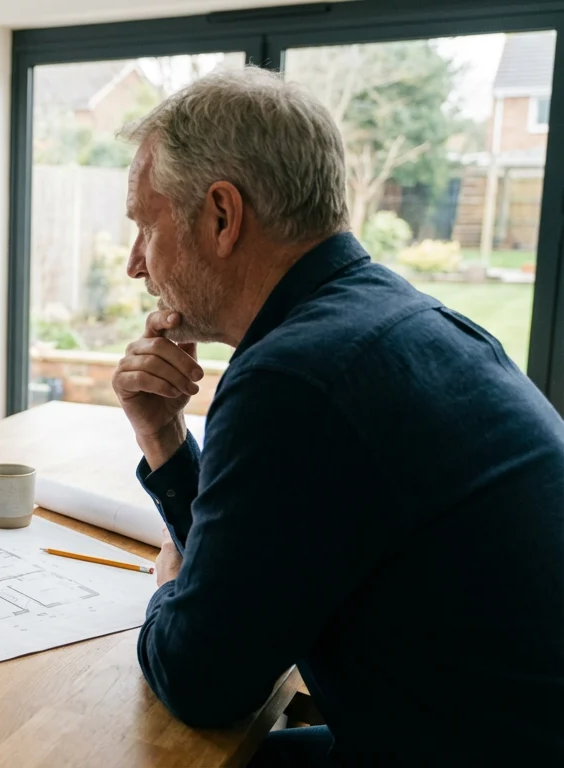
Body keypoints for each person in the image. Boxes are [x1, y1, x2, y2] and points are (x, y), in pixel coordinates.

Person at [110, 67, 564, 765]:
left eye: (146, 223)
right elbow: (255, 567)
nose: (136, 263)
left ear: (222, 216)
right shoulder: (403, 320)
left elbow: (203, 679)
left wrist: (167, 593)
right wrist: (163, 434)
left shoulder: (293, 379)